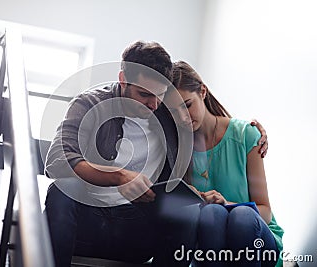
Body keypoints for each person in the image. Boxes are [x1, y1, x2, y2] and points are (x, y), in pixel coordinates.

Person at [43, 41, 268, 267]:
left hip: (138, 230)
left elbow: (203, 117)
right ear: (123, 80)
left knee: (188, 212)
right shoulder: (89, 103)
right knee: (62, 190)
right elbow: (56, 161)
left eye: (159, 95)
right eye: (144, 94)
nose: (153, 104)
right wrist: (118, 176)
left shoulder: (167, 113)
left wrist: (251, 129)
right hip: (88, 220)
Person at [164, 60, 284, 267]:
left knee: (243, 217)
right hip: (212, 241)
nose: (183, 117)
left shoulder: (246, 135)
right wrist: (199, 199)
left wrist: (227, 205)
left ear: (202, 92)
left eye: (187, 105)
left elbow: (264, 211)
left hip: (257, 237)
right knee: (211, 213)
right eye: (174, 112)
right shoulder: (177, 148)